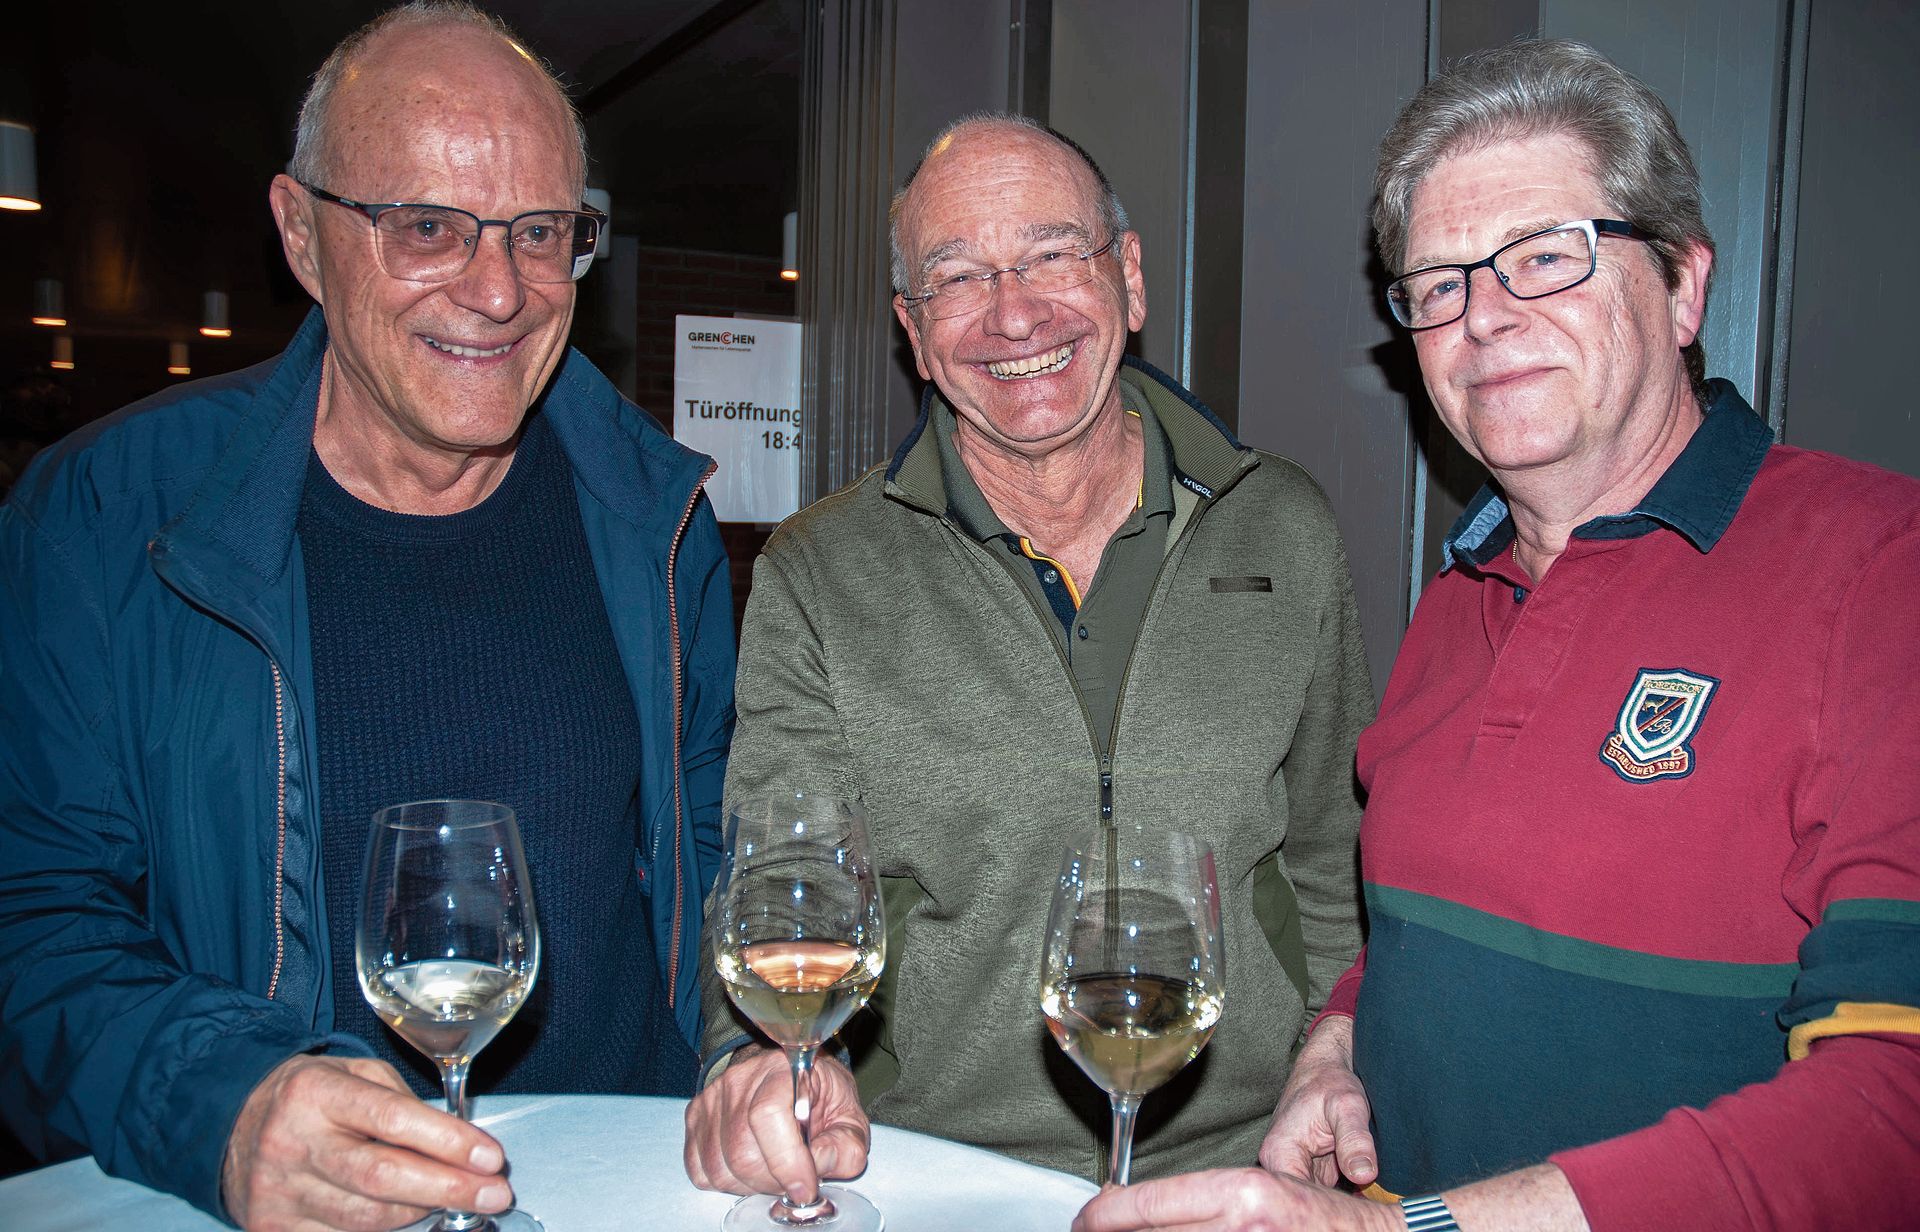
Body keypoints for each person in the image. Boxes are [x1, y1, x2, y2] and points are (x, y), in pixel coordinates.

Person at [1074, 38, 1920, 1232]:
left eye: (1545, 258)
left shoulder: (1884, 568)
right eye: (1439, 283)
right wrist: (1335, 1042)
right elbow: (1422, 930)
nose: (1486, 316)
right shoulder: (1457, 598)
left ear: (1683, 283)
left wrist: (1426, 1228)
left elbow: (1896, 1106)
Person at [0, 4, 735, 1228]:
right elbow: (31, 911)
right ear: (301, 233)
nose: (497, 289)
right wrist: (219, 1098)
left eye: (541, 232)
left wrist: (750, 1055)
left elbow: (717, 856)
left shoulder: (657, 520)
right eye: (428, 227)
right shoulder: (98, 520)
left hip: (634, 1193)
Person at [682, 112, 1373, 1204]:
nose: (1015, 313)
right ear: (914, 330)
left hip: (1241, 1175)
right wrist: (753, 1062)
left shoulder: (1283, 527)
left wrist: (1339, 1056)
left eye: (1055, 254)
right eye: (958, 277)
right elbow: (780, 886)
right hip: (931, 1175)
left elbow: (1337, 866)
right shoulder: (820, 569)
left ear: (1130, 280)